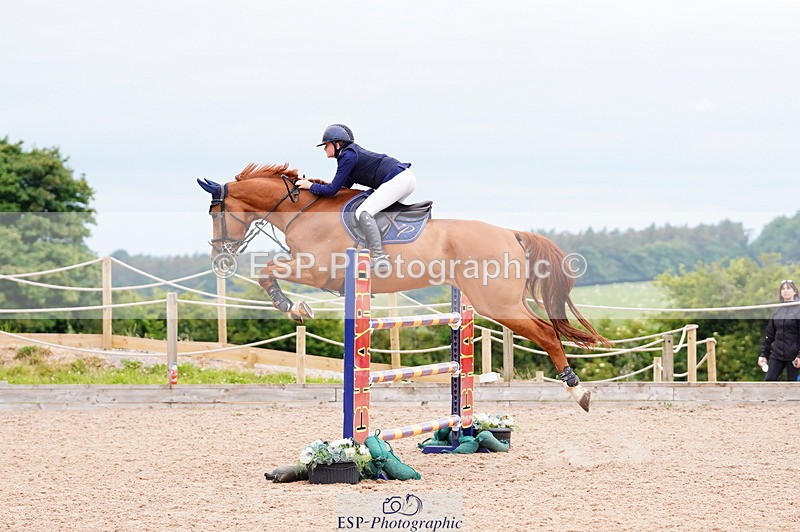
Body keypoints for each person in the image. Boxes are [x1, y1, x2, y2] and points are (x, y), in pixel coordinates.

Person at [296, 124, 416, 273]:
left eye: (326, 145)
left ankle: (380, 257)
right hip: (403, 179)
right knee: (376, 214)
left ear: (337, 144)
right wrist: (313, 187)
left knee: (363, 212)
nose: (324, 149)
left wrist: (310, 186)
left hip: (398, 179)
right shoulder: (349, 156)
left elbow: (332, 190)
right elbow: (341, 189)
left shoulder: (348, 156)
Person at [758, 279, 800, 382]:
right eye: (783, 289)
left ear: (794, 291)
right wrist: (764, 354)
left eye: (788, 288)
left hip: (794, 355)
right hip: (777, 354)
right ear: (780, 293)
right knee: (769, 380)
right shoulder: (777, 309)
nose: (785, 291)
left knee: (793, 386)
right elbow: (770, 334)